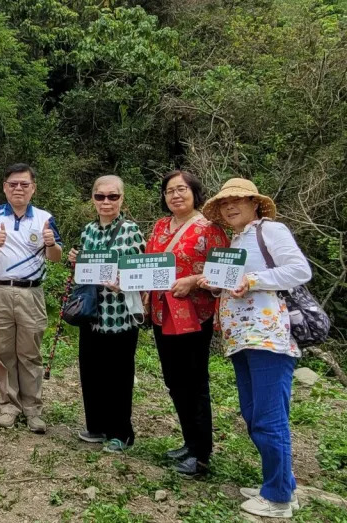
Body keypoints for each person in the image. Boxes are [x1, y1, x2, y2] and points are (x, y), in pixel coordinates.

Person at [199, 178, 309, 518]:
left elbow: (299, 270)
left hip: (268, 337)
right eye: (224, 203)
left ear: (255, 203)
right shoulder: (236, 239)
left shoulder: (270, 231)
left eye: (239, 201)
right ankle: (280, 483)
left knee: (269, 418)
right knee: (253, 414)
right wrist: (215, 285)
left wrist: (253, 280)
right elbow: (235, 286)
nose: (231, 207)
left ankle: (277, 498)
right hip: (240, 338)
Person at [144, 170, 229, 476]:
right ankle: (189, 442)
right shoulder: (160, 227)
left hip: (195, 315)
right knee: (174, 379)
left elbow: (223, 274)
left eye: (182, 189)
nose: (175, 195)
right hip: (162, 313)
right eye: (169, 191)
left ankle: (202, 452)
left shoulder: (211, 229)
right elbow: (148, 266)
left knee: (194, 381)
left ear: (195, 193)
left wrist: (193, 280)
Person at [67, 175, 146, 452]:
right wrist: (75, 260)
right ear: (93, 199)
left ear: (122, 199)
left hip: (120, 315)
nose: (106, 202)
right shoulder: (88, 230)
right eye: (100, 196)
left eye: (113, 196)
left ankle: (121, 432)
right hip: (92, 314)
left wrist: (122, 280)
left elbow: (141, 273)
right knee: (92, 371)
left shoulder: (131, 231)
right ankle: (97, 426)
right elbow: (84, 272)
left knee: (118, 375)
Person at [0, 163, 63, 433]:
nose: (18, 188)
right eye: (13, 184)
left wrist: (51, 244)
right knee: (1, 352)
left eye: (24, 184)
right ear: (4, 187)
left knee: (30, 353)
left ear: (33, 188)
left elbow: (56, 258)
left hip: (31, 292)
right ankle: (8, 406)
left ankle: (33, 409)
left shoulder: (45, 217)